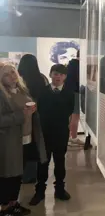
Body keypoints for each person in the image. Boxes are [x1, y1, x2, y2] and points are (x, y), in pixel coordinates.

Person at [0, 63, 47, 216]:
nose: (12, 76)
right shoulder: (2, 94)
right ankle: (5, 207)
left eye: (13, 72)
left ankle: (14, 203)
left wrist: (33, 111)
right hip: (9, 141)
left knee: (18, 174)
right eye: (7, 74)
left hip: (26, 138)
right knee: (8, 174)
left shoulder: (21, 89)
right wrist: (22, 115)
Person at [30, 64, 74, 206]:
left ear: (65, 77)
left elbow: (69, 110)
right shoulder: (43, 91)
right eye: (55, 74)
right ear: (50, 75)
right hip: (45, 133)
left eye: (61, 75)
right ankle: (40, 191)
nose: (58, 77)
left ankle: (60, 189)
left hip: (61, 133)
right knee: (43, 162)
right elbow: (40, 110)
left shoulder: (69, 92)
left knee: (60, 162)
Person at [17, 54, 49, 184]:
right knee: (34, 145)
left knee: (20, 146)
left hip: (21, 116)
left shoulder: (19, 79)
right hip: (38, 116)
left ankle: (19, 174)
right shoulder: (42, 78)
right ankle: (31, 175)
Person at [65, 50, 83, 146]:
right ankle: (74, 138)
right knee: (75, 116)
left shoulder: (71, 64)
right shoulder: (78, 66)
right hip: (75, 93)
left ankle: (69, 138)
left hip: (70, 92)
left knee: (71, 116)